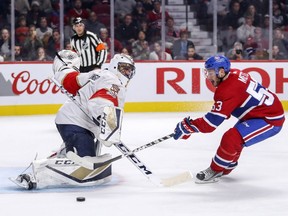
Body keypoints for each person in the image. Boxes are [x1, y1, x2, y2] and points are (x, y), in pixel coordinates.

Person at [11, 50, 136, 190]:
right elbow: (100, 102)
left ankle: (65, 152)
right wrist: (108, 127)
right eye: (124, 68)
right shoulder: (114, 82)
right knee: (83, 166)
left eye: (130, 70)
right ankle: (39, 175)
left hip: (75, 120)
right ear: (115, 66)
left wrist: (62, 71)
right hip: (74, 122)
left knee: (87, 159)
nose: (127, 73)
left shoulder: (98, 74)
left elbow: (72, 81)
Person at [173, 55, 285, 184]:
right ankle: (226, 165)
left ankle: (215, 170)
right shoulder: (234, 74)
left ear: (221, 72)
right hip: (257, 112)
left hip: (269, 118)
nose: (208, 77)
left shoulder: (227, 89)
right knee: (234, 139)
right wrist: (192, 127)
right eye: (207, 72)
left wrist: (190, 127)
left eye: (210, 73)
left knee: (232, 137)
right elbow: (230, 106)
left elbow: (211, 123)